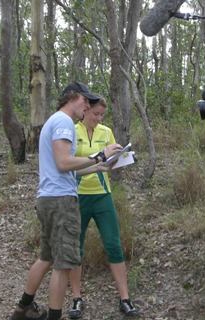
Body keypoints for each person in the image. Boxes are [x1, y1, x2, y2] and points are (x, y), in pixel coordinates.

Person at [9, 82, 121, 320]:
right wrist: (99, 154)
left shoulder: (55, 121)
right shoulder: (63, 122)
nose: (88, 107)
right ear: (75, 97)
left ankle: (23, 308)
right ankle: (54, 316)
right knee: (63, 264)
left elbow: (64, 169)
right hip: (60, 202)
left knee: (47, 257)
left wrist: (97, 165)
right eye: (86, 102)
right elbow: (63, 163)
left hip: (50, 197)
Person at [67, 96, 140, 318]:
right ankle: (76, 299)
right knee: (76, 248)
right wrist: (96, 160)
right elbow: (67, 164)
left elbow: (110, 163)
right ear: (85, 110)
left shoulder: (106, 132)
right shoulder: (71, 130)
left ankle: (125, 299)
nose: (98, 119)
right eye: (95, 114)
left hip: (102, 196)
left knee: (113, 244)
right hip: (77, 195)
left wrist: (120, 157)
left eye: (102, 115)